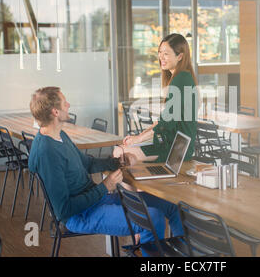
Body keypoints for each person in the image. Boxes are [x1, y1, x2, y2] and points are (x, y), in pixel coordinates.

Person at [27, 86, 183, 251]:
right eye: (64, 103)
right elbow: (64, 209)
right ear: (55, 112)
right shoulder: (47, 152)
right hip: (80, 215)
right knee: (152, 219)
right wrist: (104, 187)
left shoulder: (60, 136)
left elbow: (88, 163)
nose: (69, 104)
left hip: (95, 201)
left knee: (171, 205)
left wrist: (117, 162)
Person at [114, 33, 198, 163]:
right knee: (123, 152)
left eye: (166, 54)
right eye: (160, 53)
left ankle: (131, 183)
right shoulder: (179, 78)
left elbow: (166, 123)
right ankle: (135, 182)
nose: (161, 57)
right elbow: (163, 121)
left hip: (176, 148)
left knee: (120, 152)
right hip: (167, 142)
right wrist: (138, 137)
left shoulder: (181, 79)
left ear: (180, 56)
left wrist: (138, 139)